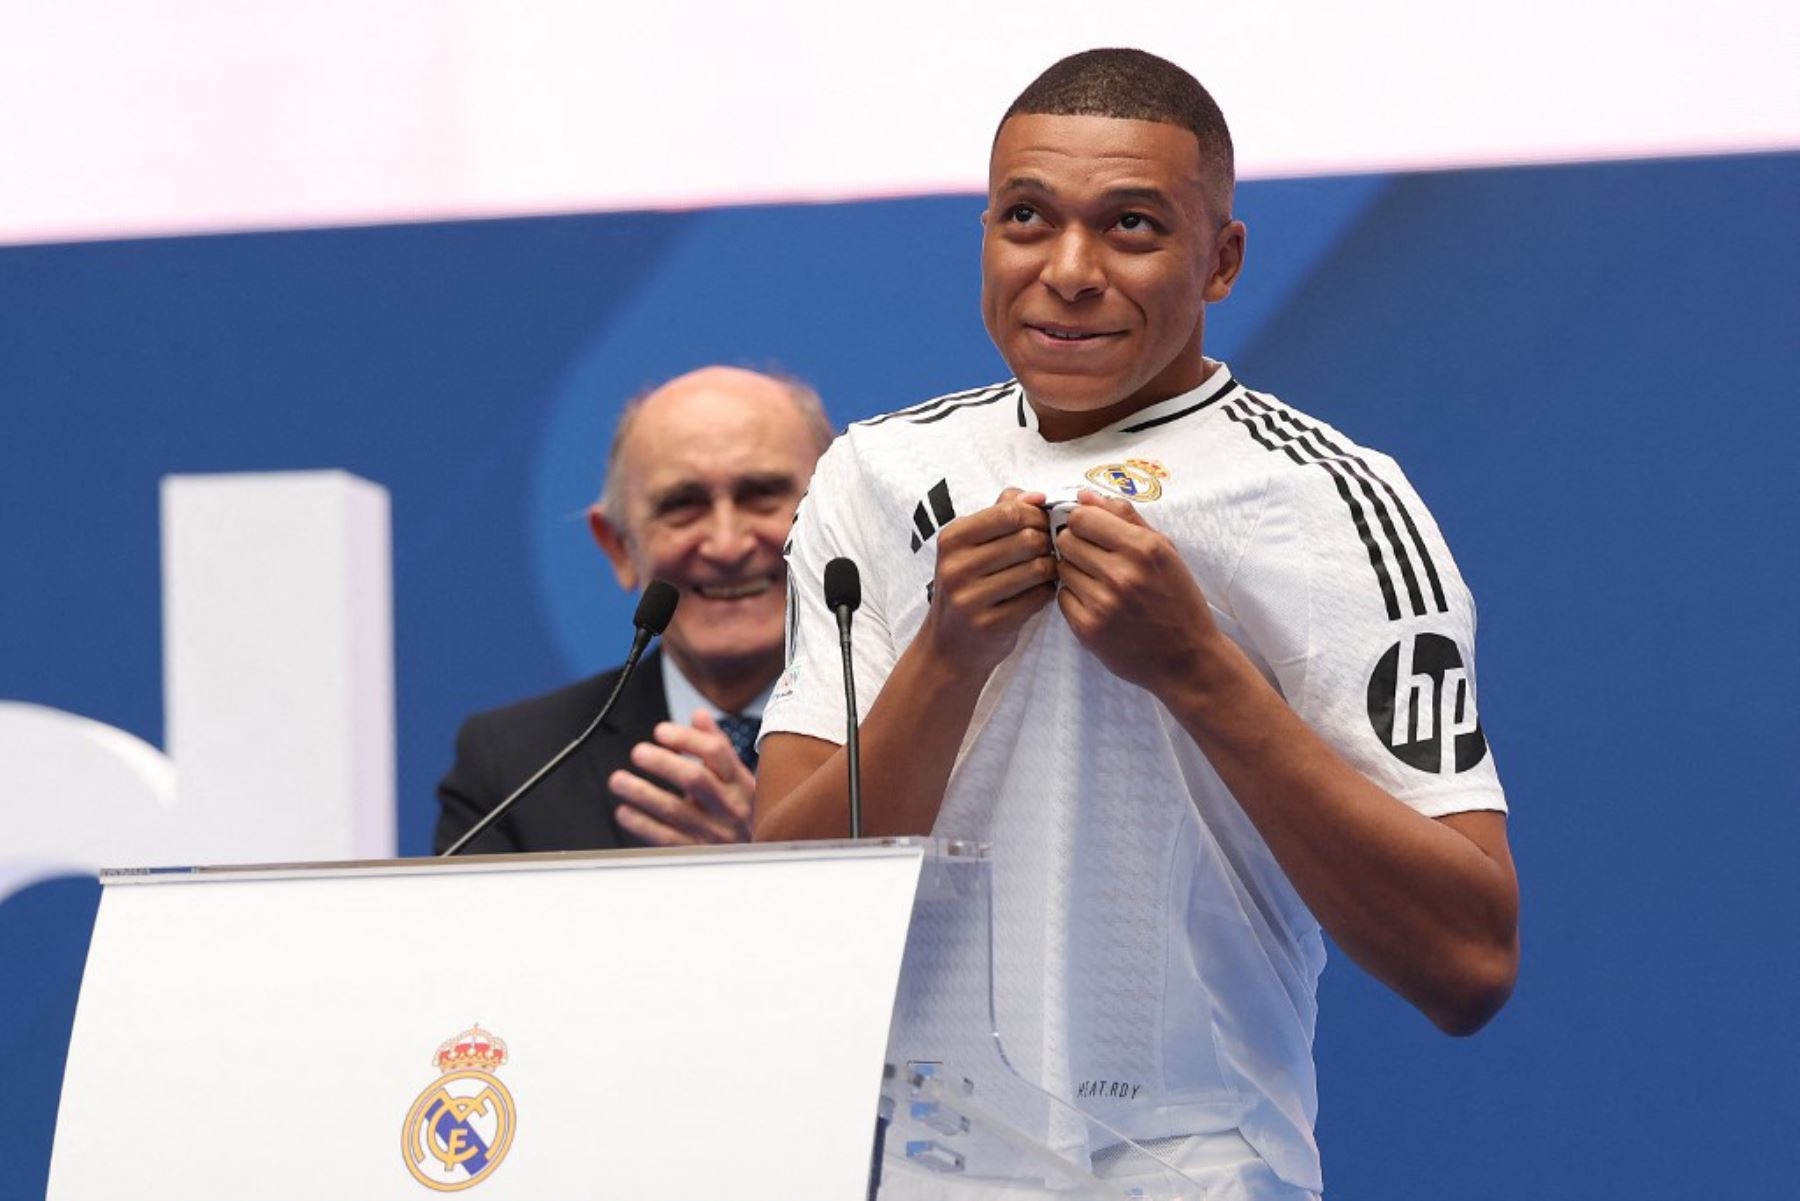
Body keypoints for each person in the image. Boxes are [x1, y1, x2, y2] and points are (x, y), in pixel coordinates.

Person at [755, 49, 1519, 1199]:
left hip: (1202, 1172)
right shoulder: (877, 474)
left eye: (1131, 226)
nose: (1068, 270)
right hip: (903, 1171)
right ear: (984, 235)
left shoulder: (1335, 502)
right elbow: (788, 921)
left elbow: (1468, 959)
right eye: (1027, 217)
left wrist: (1200, 670)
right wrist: (948, 655)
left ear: (1222, 258)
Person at [435, 365, 832, 854]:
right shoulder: (516, 767)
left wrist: (770, 856)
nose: (727, 545)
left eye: (761, 496)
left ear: (836, 516)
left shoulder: (923, 733)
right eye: (682, 504)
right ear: (618, 546)